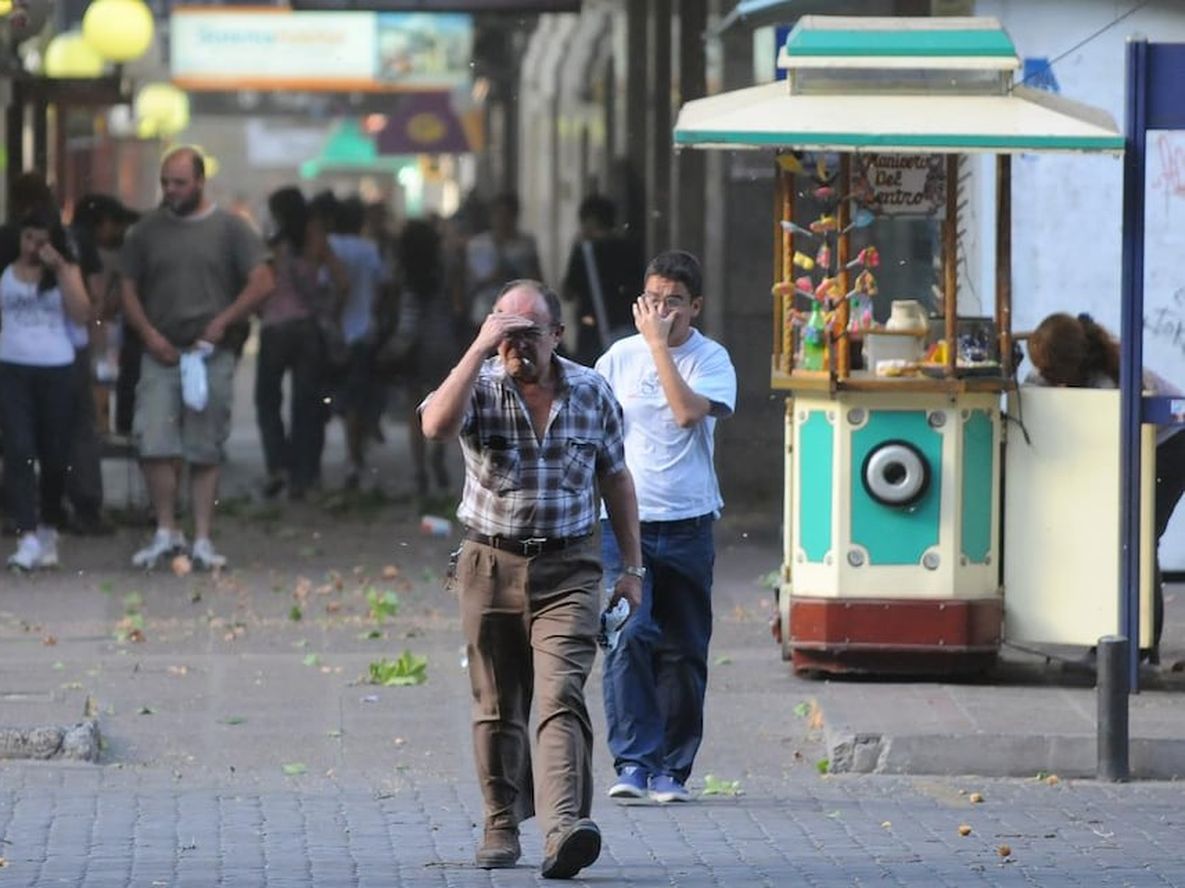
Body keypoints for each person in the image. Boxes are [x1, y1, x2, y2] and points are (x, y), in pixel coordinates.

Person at [419, 279, 643, 879]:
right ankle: (499, 820)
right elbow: (436, 426)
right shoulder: (479, 384)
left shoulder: (592, 391)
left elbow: (617, 479)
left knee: (560, 693)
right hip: (489, 565)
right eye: (506, 335)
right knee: (496, 702)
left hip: (570, 566)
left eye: (528, 335)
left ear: (557, 336)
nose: (517, 347)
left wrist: (634, 569)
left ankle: (563, 827)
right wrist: (477, 349)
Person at [595, 250, 737, 803]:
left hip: (688, 523)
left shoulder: (712, 359)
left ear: (695, 307)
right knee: (628, 635)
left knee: (683, 648)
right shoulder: (616, 359)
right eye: (653, 300)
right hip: (624, 525)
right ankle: (633, 761)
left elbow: (684, 414)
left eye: (673, 302)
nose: (661, 311)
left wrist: (658, 347)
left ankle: (671, 771)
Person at [120, 147, 273, 570]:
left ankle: (203, 536)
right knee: (153, 440)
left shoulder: (231, 229)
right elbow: (127, 287)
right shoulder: (146, 231)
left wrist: (225, 320)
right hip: (161, 352)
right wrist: (148, 334)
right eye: (165, 182)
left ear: (200, 182)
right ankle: (167, 530)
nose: (171, 190)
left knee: (205, 448)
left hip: (210, 354)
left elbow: (262, 281)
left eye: (180, 183)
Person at [1027, 311, 1185, 664]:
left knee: (1141, 540)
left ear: (1072, 365)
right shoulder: (1067, 370)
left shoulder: (1108, 383)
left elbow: (1110, 437)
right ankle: (1116, 637)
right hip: (1140, 447)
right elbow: (1034, 385)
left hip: (1171, 447)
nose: (1048, 379)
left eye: (1053, 374)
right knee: (1119, 540)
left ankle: (1141, 644)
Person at [0, 208, 91, 569]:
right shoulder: (6, 274)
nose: (33, 247)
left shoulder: (65, 273)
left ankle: (49, 524)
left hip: (56, 367)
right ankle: (26, 533)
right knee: (19, 449)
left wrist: (62, 271)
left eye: (41, 241)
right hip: (12, 367)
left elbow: (83, 313)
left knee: (54, 455)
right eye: (28, 239)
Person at [256, 186, 347, 500]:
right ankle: (302, 477)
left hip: (274, 329)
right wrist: (331, 313)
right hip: (308, 329)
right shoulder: (316, 239)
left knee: (267, 400)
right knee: (305, 405)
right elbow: (342, 282)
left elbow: (259, 285)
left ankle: (277, 465)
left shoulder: (271, 245)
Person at [60, 194, 138, 535]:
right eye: (115, 223)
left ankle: (50, 505)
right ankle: (86, 506)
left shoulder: (59, 239)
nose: (119, 231)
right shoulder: (83, 246)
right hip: (74, 349)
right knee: (82, 428)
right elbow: (93, 309)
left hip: (40, 352)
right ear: (100, 222)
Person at [392, 217, 457, 499]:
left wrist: (394, 347)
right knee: (444, 406)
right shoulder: (444, 271)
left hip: (415, 350)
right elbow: (455, 306)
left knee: (414, 410)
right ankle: (438, 457)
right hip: (442, 344)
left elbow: (408, 320)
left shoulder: (405, 275)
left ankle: (420, 470)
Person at [328, 195, 389, 490]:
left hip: (337, 333)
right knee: (359, 398)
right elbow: (381, 288)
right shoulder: (369, 249)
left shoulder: (329, 247)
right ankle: (357, 453)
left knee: (345, 399)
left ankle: (353, 455)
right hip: (365, 331)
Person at [561, 195, 645, 366]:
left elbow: (568, 291)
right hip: (626, 324)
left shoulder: (585, 251)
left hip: (591, 327)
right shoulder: (630, 248)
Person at [463, 193, 541, 333]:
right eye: (499, 215)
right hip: (484, 313)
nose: (503, 220)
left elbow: (536, 279)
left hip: (518, 315)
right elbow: (471, 280)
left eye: (508, 216)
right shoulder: (479, 244)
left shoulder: (525, 244)